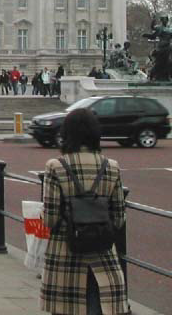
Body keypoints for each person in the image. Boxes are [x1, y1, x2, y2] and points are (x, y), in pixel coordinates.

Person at [40, 108, 128, 314]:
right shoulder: (111, 166)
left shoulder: (56, 166)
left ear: (67, 133)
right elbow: (118, 217)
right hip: (102, 251)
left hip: (66, 254)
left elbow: (51, 219)